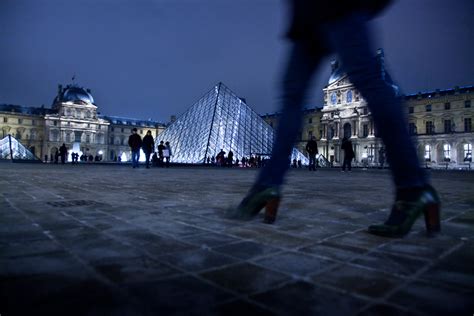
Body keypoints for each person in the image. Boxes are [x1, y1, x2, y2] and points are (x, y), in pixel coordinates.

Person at [227, 0, 440, 237]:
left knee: (303, 96)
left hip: (336, 9)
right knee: (303, 94)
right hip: (311, 17)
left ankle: (413, 187)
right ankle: (266, 185)